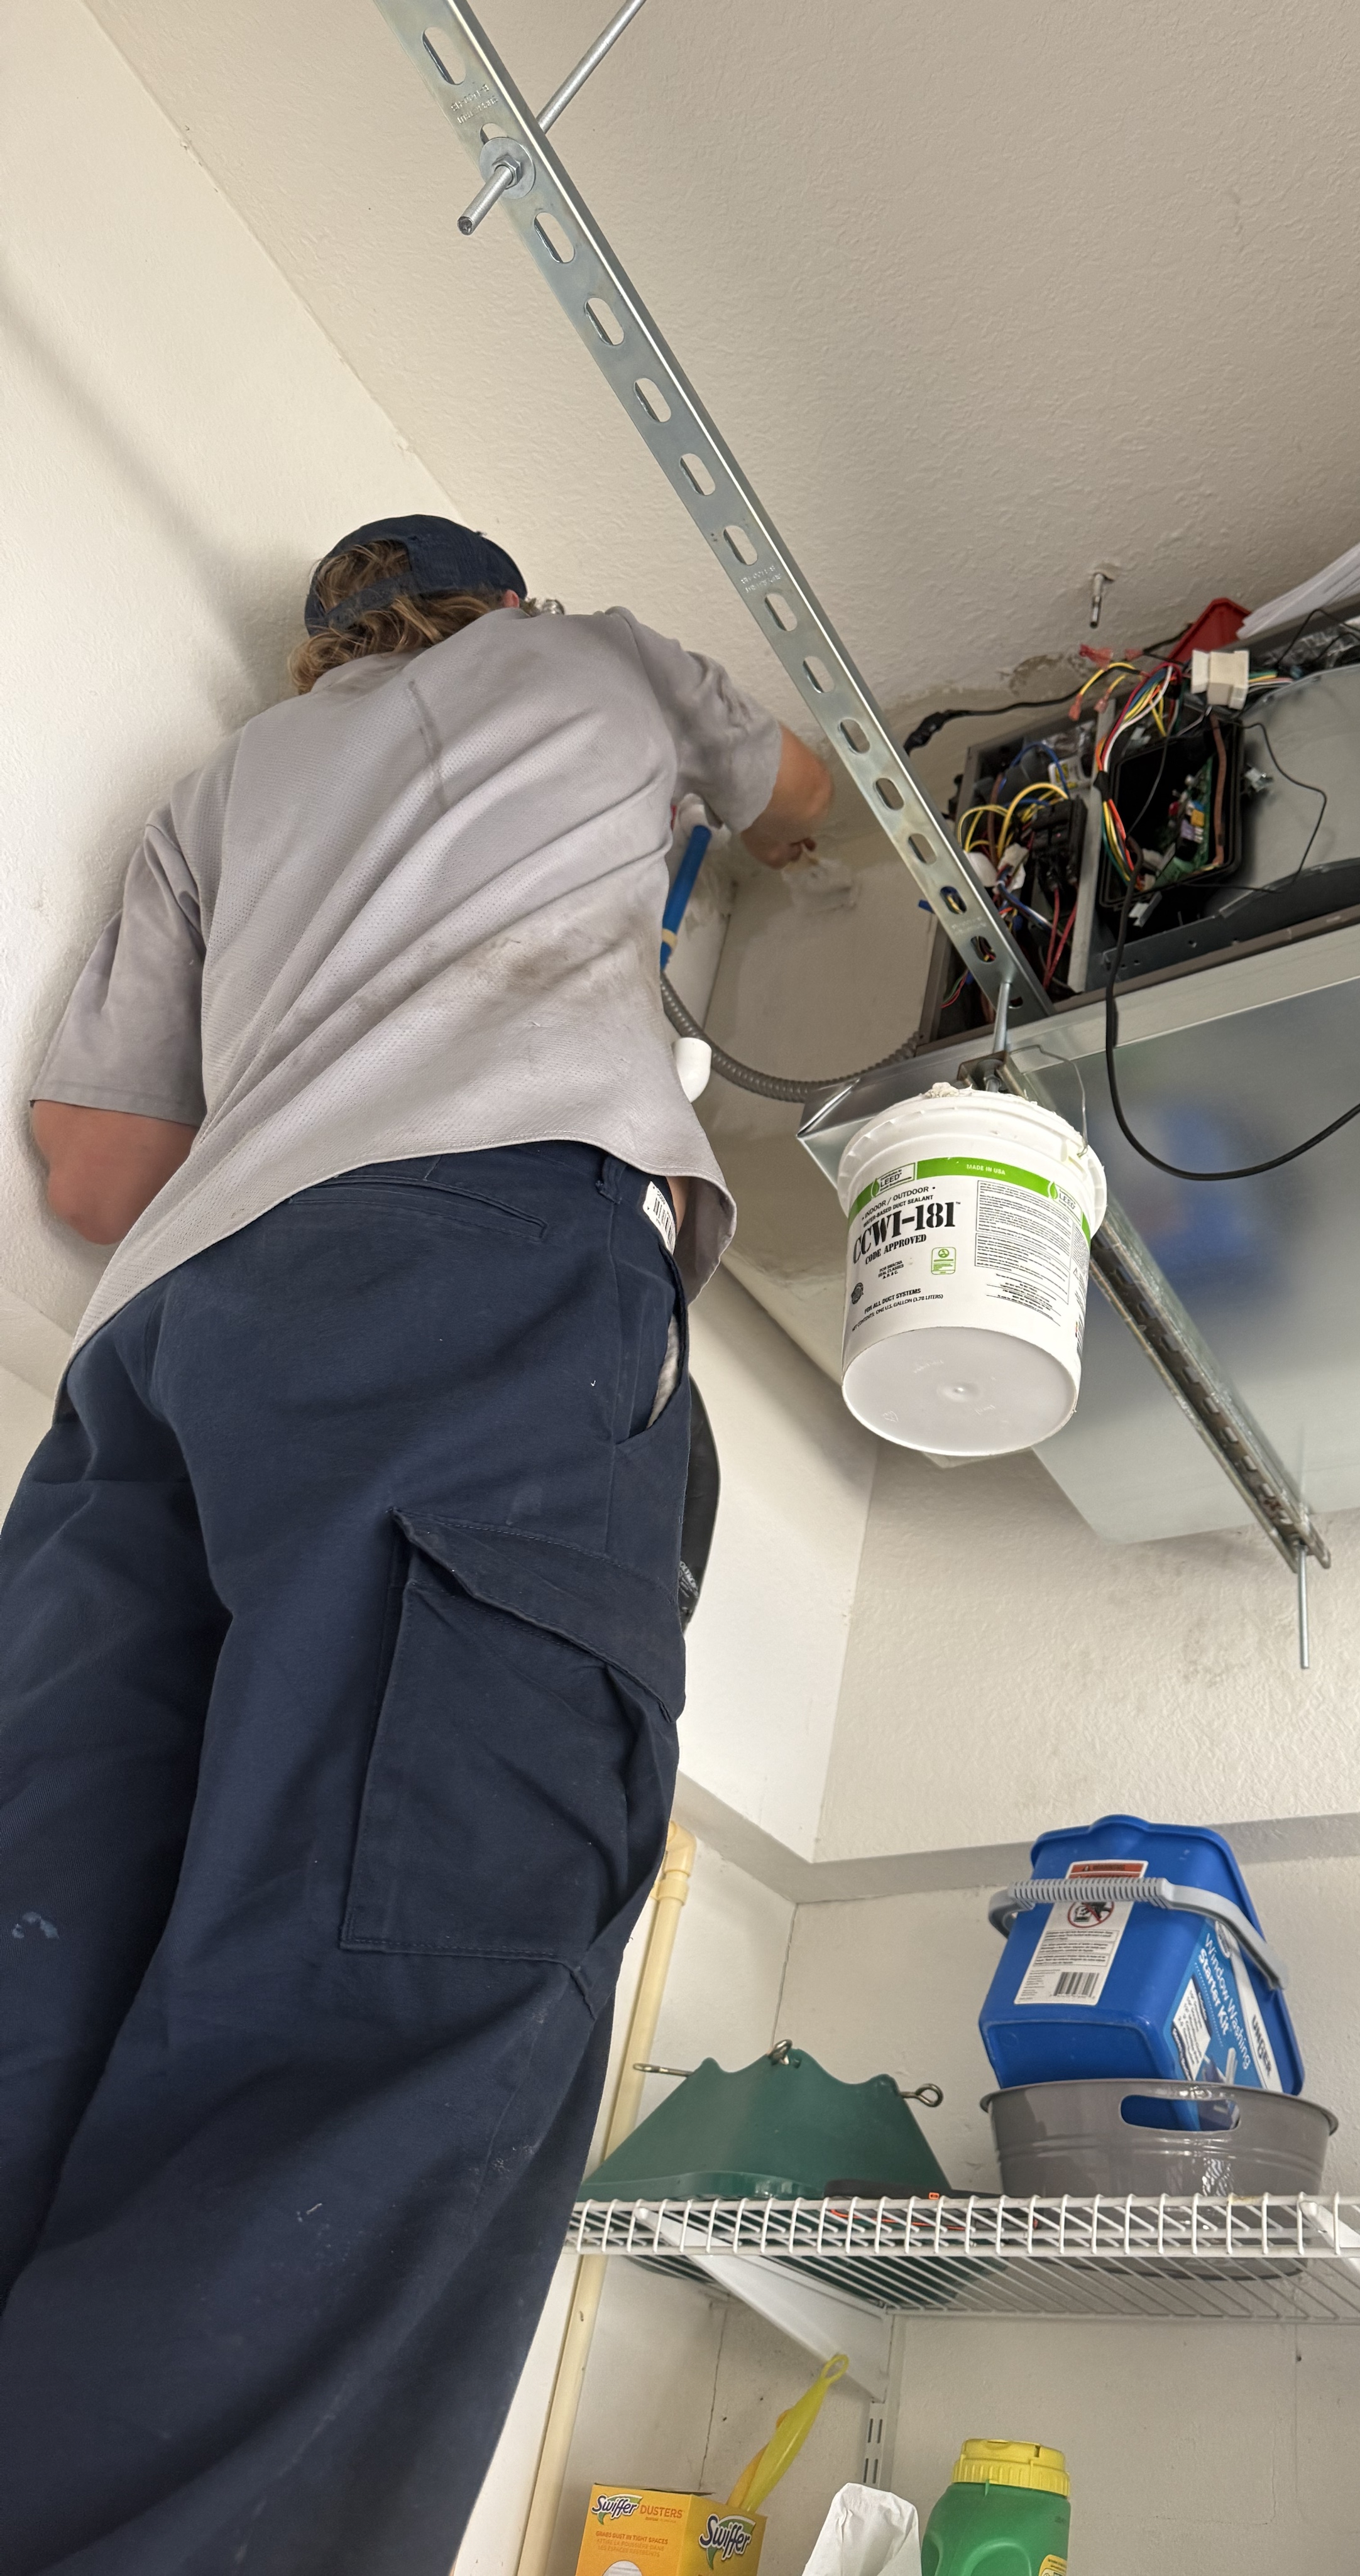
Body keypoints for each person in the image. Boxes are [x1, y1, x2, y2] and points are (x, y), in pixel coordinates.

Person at [0, 515, 833, 2574]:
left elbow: (96, 1164)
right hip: (483, 1276)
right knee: (389, 2007)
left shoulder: (231, 783)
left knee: (36, 1960)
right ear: (507, 604)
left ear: (321, 651)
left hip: (163, 1347)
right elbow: (808, 806)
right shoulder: (599, 655)